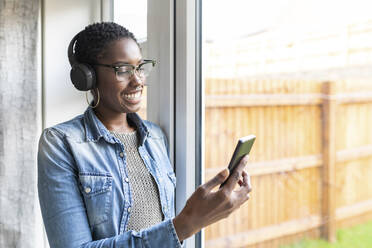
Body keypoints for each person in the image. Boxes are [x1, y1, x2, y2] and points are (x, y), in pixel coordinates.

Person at [37, 22, 252, 248]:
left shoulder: (155, 137)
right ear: (87, 77)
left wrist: (208, 211)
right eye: (123, 69)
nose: (138, 80)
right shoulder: (61, 143)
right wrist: (185, 224)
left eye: (139, 67)